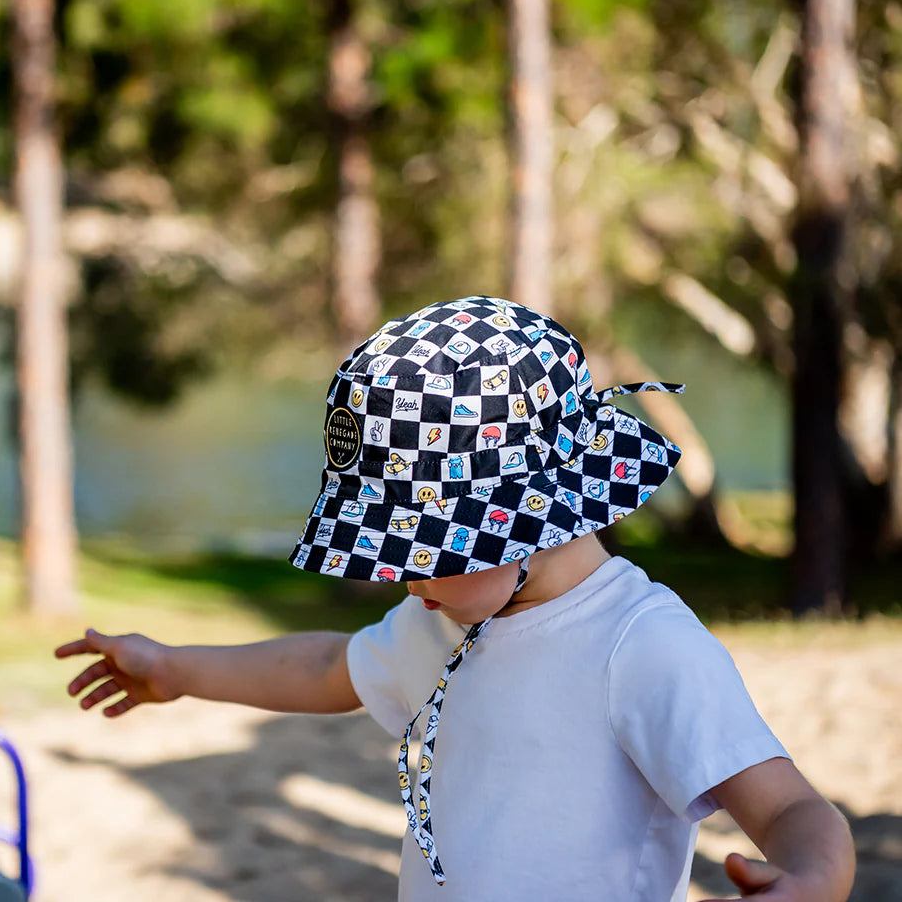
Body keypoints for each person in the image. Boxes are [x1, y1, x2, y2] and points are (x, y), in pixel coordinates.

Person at [56, 295, 855, 901]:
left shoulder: (640, 646)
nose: (408, 577)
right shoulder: (444, 618)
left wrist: (813, 880)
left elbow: (790, 807)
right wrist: (175, 668)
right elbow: (326, 668)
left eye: (427, 548)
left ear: (532, 514)